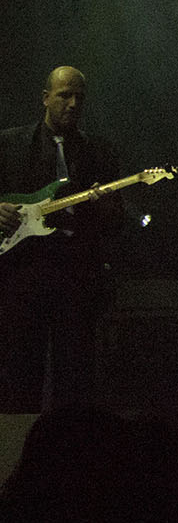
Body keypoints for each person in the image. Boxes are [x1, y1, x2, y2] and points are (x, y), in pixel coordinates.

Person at [0, 67, 125, 412]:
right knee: (20, 369)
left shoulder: (99, 152)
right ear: (45, 98)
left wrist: (106, 208)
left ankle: (73, 440)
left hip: (77, 273)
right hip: (23, 272)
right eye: (64, 95)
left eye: (79, 98)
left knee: (76, 371)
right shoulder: (9, 144)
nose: (72, 104)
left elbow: (115, 222)